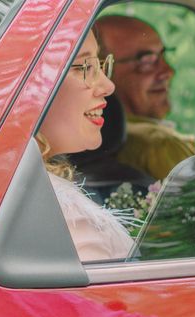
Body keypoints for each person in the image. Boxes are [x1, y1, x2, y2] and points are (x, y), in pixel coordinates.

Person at [37, 28, 133, 262]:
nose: (108, 86)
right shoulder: (69, 217)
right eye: (85, 67)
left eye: (99, 65)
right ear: (34, 85)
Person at [95, 15, 195, 180]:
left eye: (163, 56)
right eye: (146, 61)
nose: (169, 71)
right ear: (101, 71)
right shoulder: (159, 144)